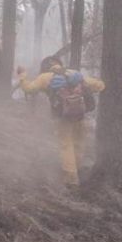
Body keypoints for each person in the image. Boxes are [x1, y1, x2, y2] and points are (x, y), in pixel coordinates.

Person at [16, 56, 105, 189]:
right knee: (79, 142)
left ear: (45, 67)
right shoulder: (73, 73)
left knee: (66, 145)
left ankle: (71, 178)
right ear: (59, 64)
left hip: (61, 116)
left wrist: (22, 75)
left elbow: (29, 89)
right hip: (79, 114)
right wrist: (101, 84)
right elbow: (99, 86)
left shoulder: (44, 77)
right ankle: (78, 167)